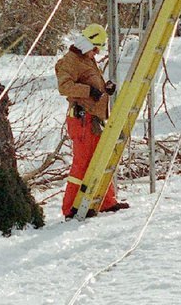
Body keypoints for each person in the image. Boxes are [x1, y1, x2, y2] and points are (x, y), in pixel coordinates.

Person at [55, 23, 129, 219]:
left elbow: (92, 85)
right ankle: (70, 207)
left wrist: (105, 89)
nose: (96, 54)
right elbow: (65, 87)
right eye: (95, 49)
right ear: (88, 45)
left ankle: (106, 201)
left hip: (93, 120)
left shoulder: (86, 60)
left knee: (100, 159)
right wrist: (90, 91)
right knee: (82, 163)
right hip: (82, 121)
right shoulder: (70, 61)